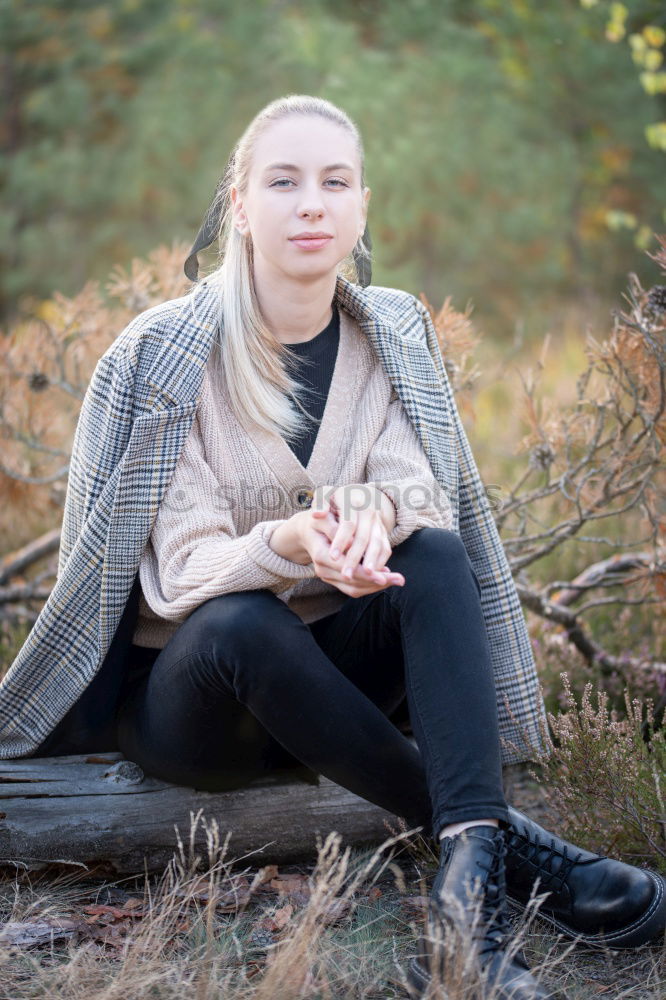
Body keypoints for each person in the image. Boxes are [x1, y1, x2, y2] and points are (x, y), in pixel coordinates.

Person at [1, 95, 663, 999]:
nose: (311, 203)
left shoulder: (390, 331)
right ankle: (522, 852)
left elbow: (426, 493)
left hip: (342, 684)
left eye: (334, 182)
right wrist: (286, 540)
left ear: (361, 209)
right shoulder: (163, 356)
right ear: (239, 205)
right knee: (242, 622)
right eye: (284, 181)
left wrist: (366, 518)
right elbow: (177, 576)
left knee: (432, 552)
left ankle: (468, 902)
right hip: (202, 709)